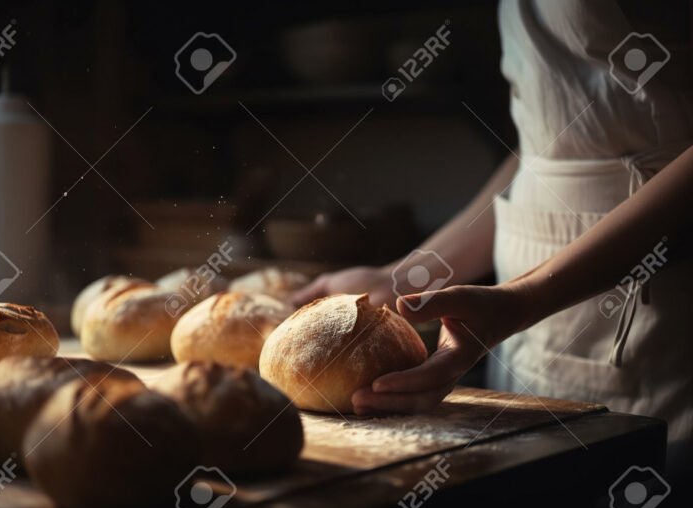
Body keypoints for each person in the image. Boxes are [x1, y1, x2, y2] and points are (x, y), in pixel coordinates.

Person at [292, 0, 693, 478]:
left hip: (656, 303)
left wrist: (522, 299)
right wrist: (400, 278)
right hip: (521, 301)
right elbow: (550, 143)